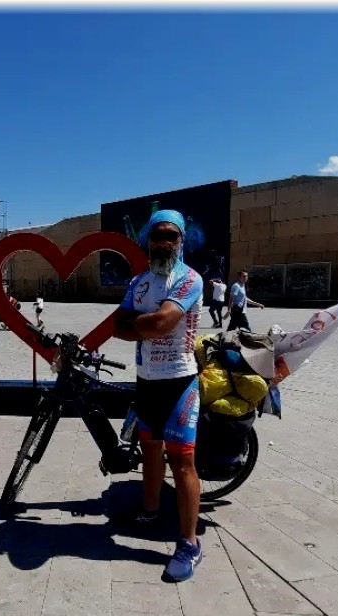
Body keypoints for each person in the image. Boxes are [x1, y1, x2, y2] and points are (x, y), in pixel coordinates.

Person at [112, 209, 205, 583]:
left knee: (182, 463)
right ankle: (150, 510)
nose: (164, 242)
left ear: (181, 240)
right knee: (149, 450)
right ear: (147, 240)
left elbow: (162, 322)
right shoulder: (139, 282)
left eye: (171, 235)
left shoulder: (190, 279)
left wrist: (136, 325)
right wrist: (138, 326)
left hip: (179, 383)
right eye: (157, 235)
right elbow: (116, 326)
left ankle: (189, 543)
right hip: (146, 381)